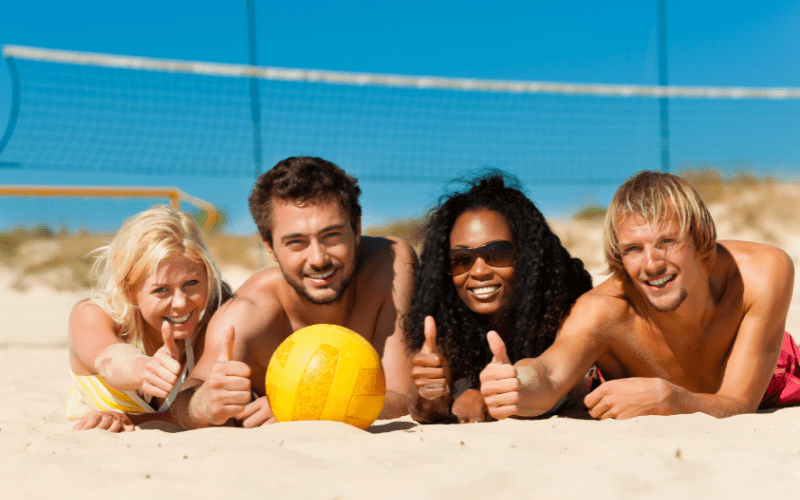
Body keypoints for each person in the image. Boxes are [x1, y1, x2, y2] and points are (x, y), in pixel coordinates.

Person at [480, 170, 798, 420]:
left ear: (699, 237)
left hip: (772, 370)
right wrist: (516, 383)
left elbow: (740, 403)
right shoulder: (604, 310)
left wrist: (673, 400)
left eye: (667, 242)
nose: (652, 264)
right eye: (633, 249)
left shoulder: (759, 274)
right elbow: (549, 375)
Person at [172, 156, 417, 429]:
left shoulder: (389, 266)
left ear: (357, 229)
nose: (318, 259)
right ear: (269, 246)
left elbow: (403, 396)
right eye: (296, 242)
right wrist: (202, 405)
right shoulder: (248, 313)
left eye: (331, 235)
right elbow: (188, 395)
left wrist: (303, 407)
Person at [405, 171, 593, 423]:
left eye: (498, 254)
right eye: (461, 260)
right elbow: (426, 410)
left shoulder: (568, 312)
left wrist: (485, 397)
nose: (479, 271)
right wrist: (427, 393)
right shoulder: (446, 321)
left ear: (528, 256)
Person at [67, 205, 233, 432]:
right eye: (161, 290)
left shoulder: (215, 315)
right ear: (129, 290)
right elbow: (109, 360)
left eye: (191, 283)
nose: (180, 302)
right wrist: (143, 369)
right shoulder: (92, 315)